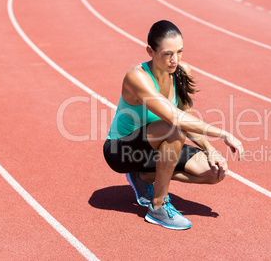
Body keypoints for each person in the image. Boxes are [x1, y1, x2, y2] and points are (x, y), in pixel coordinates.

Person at [103, 20, 243, 230]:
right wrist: (223, 134)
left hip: (156, 148)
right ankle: (158, 207)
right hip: (122, 151)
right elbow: (176, 119)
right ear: (150, 51)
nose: (174, 60)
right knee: (174, 128)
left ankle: (141, 176)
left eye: (179, 52)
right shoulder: (137, 77)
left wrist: (210, 149)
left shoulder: (180, 72)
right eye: (168, 53)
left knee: (214, 173)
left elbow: (186, 116)